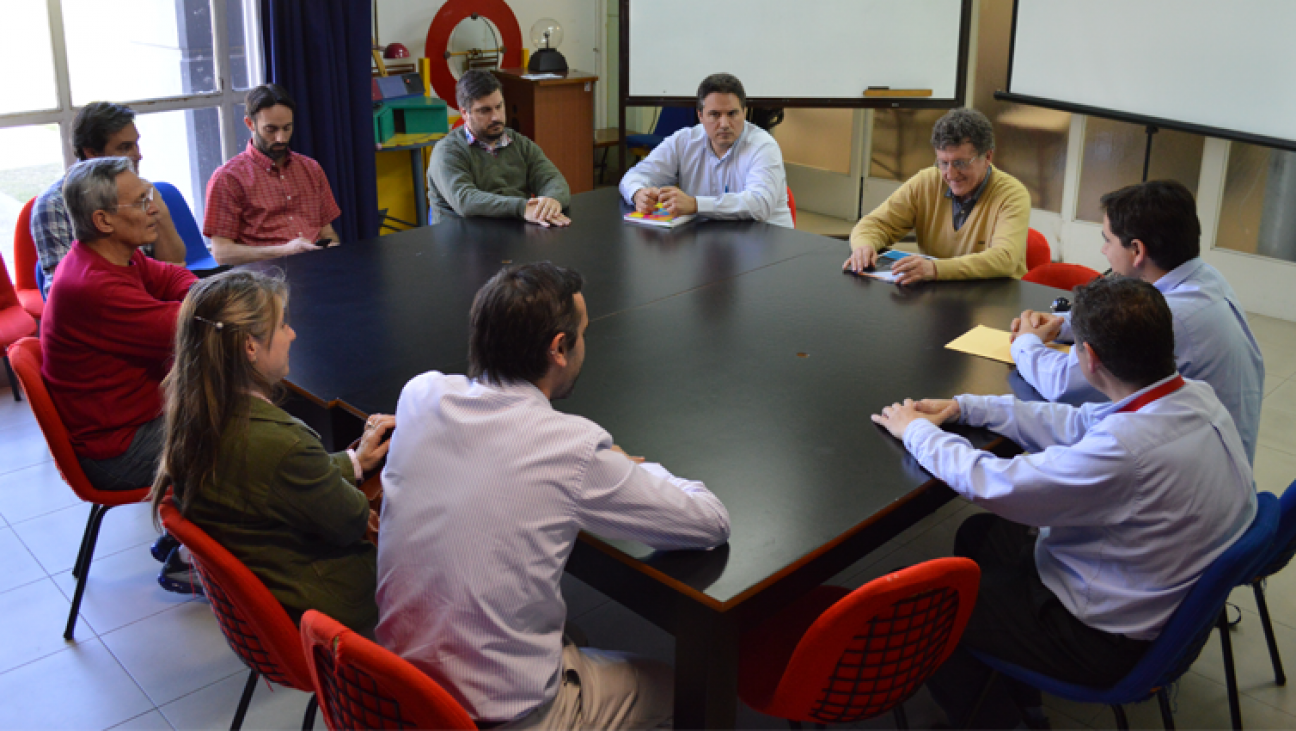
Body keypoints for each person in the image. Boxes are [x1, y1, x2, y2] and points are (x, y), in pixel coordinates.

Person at [871, 276, 1256, 729]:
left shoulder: (1128, 451)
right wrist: (964, 408)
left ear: (1088, 358)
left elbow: (996, 483)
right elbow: (1079, 421)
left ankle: (1004, 721)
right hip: (1154, 592)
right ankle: (1014, 687)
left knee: (934, 613)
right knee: (979, 536)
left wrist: (915, 430)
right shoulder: (1191, 395)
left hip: (1103, 638)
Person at [375, 262, 730, 729]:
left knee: (567, 633)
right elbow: (709, 522)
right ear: (558, 349)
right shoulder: (571, 448)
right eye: (582, 334)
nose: (586, 344)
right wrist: (627, 464)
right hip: (501, 716)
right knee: (674, 687)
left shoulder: (419, 395)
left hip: (397, 694)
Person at [149, 269, 394, 635]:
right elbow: (351, 519)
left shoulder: (199, 417)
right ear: (250, 345)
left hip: (267, 611)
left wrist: (355, 462)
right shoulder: (282, 443)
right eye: (282, 325)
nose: (292, 334)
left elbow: (274, 481)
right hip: (333, 607)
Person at [1010, 180, 1264, 463]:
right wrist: (1061, 322)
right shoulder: (1206, 278)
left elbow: (1061, 384)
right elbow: (1123, 312)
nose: (1104, 251)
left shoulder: (1172, 316)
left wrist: (1026, 342)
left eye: (1108, 240)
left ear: (1137, 251)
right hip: (1216, 461)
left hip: (1187, 479)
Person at [40, 157, 199, 592]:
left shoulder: (113, 259)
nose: (155, 208)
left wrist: (193, 300)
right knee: (240, 433)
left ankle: (189, 536)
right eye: (142, 200)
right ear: (103, 220)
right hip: (117, 451)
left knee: (233, 411)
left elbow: (174, 278)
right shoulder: (93, 285)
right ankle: (191, 557)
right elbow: (184, 325)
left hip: (131, 422)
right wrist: (201, 305)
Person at [843, 107, 1030, 284]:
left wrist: (935, 269)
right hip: (938, 292)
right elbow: (874, 224)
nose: (950, 174)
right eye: (943, 162)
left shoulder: (1012, 194)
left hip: (995, 299)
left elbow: (1004, 259)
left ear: (987, 157)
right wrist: (864, 246)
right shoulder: (926, 181)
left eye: (961, 163)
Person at [30, 102, 186, 296]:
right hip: (101, 309)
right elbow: (68, 292)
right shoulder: (53, 205)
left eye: (136, 143)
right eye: (125, 148)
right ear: (92, 154)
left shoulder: (140, 189)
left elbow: (174, 265)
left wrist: (156, 204)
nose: (138, 155)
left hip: (145, 296)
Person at [618, 73, 794, 228]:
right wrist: (638, 194)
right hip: (716, 243)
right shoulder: (684, 140)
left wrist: (695, 204)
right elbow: (634, 176)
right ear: (700, 116)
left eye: (732, 113)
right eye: (715, 114)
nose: (724, 124)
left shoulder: (763, 146)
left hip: (768, 246)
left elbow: (759, 205)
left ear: (744, 113)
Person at [203, 84, 342, 265]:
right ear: (250, 124)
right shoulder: (228, 178)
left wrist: (332, 249)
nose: (281, 138)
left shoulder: (311, 168)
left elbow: (327, 232)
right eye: (271, 130)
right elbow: (222, 253)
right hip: (265, 277)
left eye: (287, 128)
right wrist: (284, 251)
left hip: (316, 267)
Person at [427, 69, 571, 226]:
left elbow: (552, 179)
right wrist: (522, 208)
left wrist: (552, 200)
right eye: (485, 110)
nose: (496, 117)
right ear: (464, 113)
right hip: (464, 240)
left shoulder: (519, 143)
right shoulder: (447, 152)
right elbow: (465, 200)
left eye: (499, 106)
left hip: (514, 234)